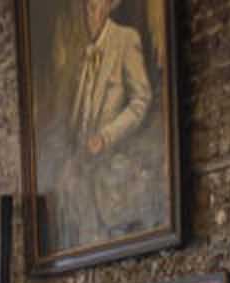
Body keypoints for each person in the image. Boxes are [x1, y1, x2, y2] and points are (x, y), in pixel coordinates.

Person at [56, 0, 155, 249]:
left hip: (113, 167)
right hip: (81, 173)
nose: (91, 16)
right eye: (87, 8)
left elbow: (141, 100)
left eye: (95, 7)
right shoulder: (82, 53)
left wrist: (106, 136)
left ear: (108, 6)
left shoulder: (125, 39)